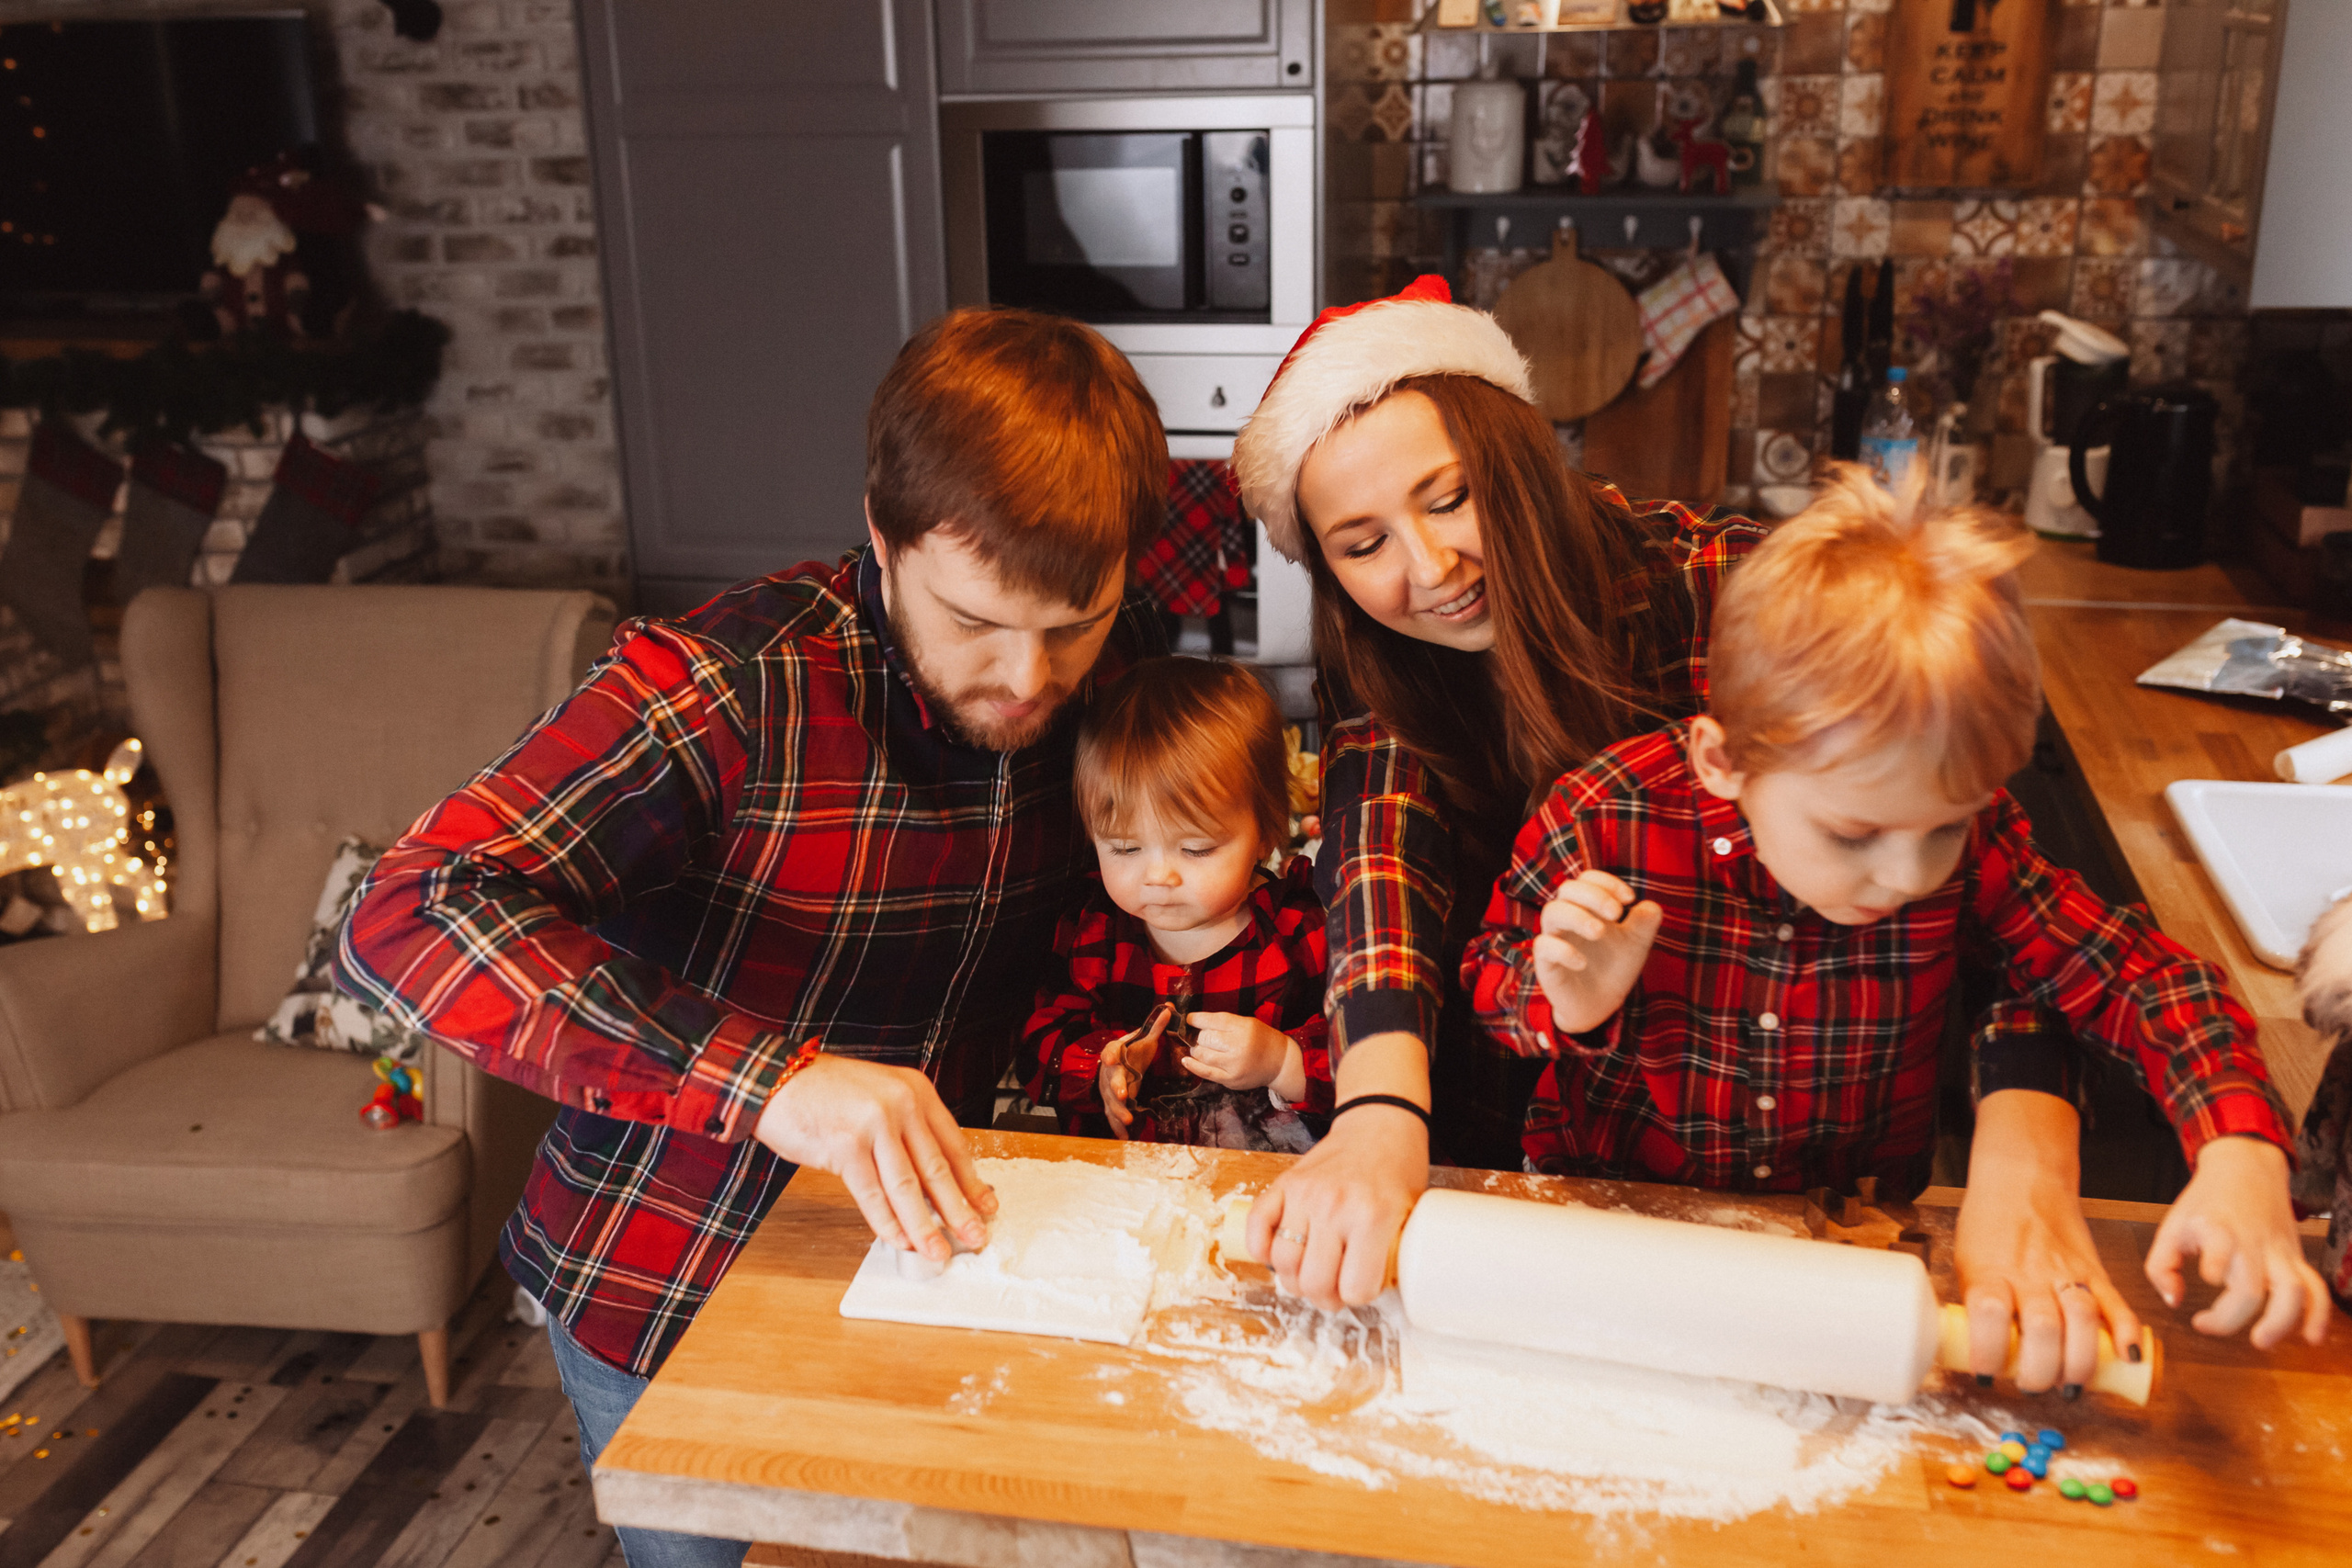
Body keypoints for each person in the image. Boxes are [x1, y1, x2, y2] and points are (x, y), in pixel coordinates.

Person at [334, 308, 1168, 1568]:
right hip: (673, 1265)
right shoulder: (727, 682)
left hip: (942, 1258)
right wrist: (771, 1078)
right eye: (974, 621)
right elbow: (411, 907)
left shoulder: (1112, 658)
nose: (1027, 677)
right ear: (883, 534)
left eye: (1073, 623)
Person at [1228, 275, 2166, 1388]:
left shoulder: (1740, 590)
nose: (1429, 569)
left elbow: (1997, 882)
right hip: (1522, 1168)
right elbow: (1379, 882)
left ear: (1518, 457)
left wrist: (2025, 1155)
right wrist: (1380, 1118)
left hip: (1812, 1176)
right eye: (1361, 544)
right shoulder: (1382, 674)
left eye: (1450, 498)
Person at [1464, 465, 2330, 1377]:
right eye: (1853, 834)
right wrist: (1568, 1001)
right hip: (1615, 1223)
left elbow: (2142, 978)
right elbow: (1487, 979)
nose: (1909, 875)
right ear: (1724, 761)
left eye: (1944, 828)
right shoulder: (1605, 815)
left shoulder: (1975, 846)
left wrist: (2239, 1146)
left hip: (1847, 1234)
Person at [1023, 656, 1330, 1150]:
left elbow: (1370, 1063)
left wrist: (1281, 1061)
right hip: (1125, 1184)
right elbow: (1039, 1046)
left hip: (1270, 1184)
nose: (1159, 876)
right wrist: (1103, 1068)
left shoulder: (1298, 930)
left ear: (1266, 832)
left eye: (1196, 849)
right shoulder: (1096, 932)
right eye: (1125, 848)